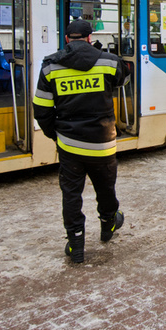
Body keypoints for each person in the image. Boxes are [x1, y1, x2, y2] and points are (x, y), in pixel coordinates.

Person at [32, 19, 129, 264]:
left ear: (66, 39)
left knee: (71, 195)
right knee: (105, 188)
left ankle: (76, 244)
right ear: (89, 38)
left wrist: (56, 135)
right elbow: (124, 79)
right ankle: (108, 223)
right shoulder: (108, 61)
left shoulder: (50, 67)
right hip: (102, 142)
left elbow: (41, 109)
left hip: (69, 145)